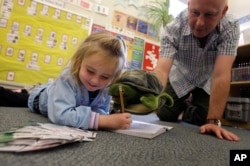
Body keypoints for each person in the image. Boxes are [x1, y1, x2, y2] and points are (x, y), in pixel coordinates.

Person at [153, 0, 240, 141]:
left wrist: (213, 122)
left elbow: (221, 74)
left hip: (207, 78)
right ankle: (183, 103)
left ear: (223, 12)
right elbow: (162, 70)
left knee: (205, 119)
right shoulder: (174, 27)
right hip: (180, 75)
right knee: (165, 115)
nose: (200, 23)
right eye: (195, 12)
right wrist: (151, 96)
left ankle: (189, 109)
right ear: (188, 6)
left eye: (209, 15)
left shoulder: (230, 27)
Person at [27, 32, 132, 130]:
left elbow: (102, 111)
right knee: (19, 98)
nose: (95, 81)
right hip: (40, 98)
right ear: (78, 62)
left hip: (65, 95)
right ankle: (27, 90)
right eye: (90, 71)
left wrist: (109, 118)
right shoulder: (67, 77)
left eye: (105, 77)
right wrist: (102, 121)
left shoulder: (108, 86)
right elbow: (60, 115)